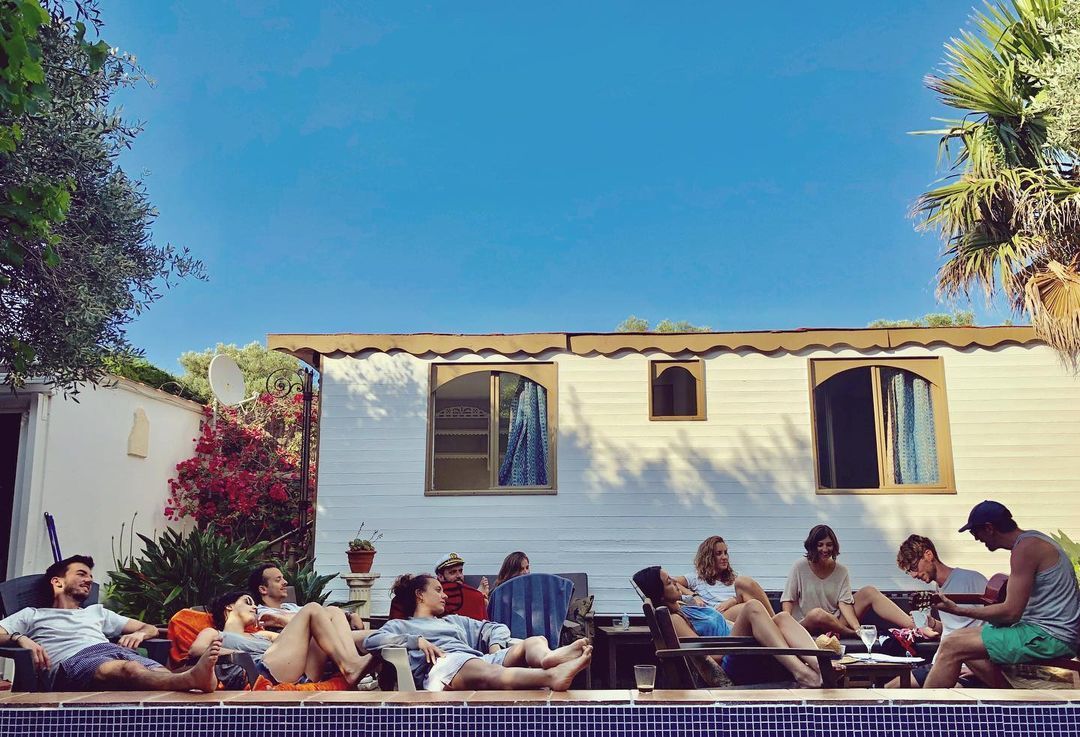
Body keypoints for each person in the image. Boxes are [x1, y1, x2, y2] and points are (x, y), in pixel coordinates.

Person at [0, 555, 220, 692]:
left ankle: (192, 680)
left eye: (90, 575)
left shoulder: (97, 612)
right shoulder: (33, 615)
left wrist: (140, 634)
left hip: (113, 651)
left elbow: (150, 628)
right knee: (131, 669)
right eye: (81, 574)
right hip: (72, 661)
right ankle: (191, 679)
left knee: (154, 671)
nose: (89, 579)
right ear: (58, 582)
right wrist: (20, 638)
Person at [924, 501, 1080, 689]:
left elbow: (1011, 613)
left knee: (952, 644)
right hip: (1045, 632)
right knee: (964, 642)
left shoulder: (1026, 549)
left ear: (989, 528)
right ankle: (1013, 696)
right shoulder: (1033, 541)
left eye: (975, 532)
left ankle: (925, 706)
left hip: (1049, 636)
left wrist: (958, 610)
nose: (976, 539)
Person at [363, 573, 592, 691]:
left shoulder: (453, 621)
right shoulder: (402, 626)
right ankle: (552, 676)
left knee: (535, 640)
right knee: (488, 670)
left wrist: (495, 645)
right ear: (419, 595)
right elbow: (372, 640)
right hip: (443, 667)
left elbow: (493, 627)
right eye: (438, 590)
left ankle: (547, 658)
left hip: (477, 660)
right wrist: (416, 641)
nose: (445, 595)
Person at [633, 566, 823, 688]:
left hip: (734, 644)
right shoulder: (675, 619)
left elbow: (689, 595)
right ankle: (801, 673)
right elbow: (704, 657)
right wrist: (739, 631)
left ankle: (819, 666)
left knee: (782, 617)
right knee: (752, 607)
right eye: (669, 582)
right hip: (730, 657)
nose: (675, 582)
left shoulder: (683, 606)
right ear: (660, 595)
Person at [190, 591, 372, 687]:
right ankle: (351, 667)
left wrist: (280, 620)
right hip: (261, 672)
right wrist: (237, 654)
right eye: (247, 602)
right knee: (312, 608)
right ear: (229, 607)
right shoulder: (214, 633)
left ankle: (353, 662)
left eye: (254, 604)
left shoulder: (261, 635)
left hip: (296, 670)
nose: (254, 607)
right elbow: (196, 651)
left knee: (333, 611)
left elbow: (305, 638)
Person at [781, 524, 922, 636]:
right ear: (813, 546)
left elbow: (845, 604)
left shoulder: (841, 571)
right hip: (809, 623)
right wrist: (788, 626)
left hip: (836, 622)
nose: (825, 549)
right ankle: (849, 634)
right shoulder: (799, 566)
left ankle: (918, 627)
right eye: (820, 545)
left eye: (829, 544)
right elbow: (788, 599)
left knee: (869, 591)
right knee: (817, 614)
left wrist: (858, 628)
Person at [888, 534, 988, 688]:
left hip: (965, 666)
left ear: (928, 555)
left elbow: (996, 626)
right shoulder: (939, 588)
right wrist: (931, 623)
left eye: (914, 567)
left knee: (938, 696)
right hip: (940, 663)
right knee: (891, 688)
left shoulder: (970, 579)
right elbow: (953, 628)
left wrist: (979, 669)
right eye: (909, 572)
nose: (913, 575)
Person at [674, 536, 775, 620]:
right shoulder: (696, 577)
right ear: (708, 557)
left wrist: (733, 600)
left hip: (739, 610)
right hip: (719, 616)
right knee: (752, 606)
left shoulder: (735, 577)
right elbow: (672, 582)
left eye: (725, 553)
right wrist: (693, 595)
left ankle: (774, 619)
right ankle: (774, 622)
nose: (724, 557)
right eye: (719, 553)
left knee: (745, 584)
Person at [248, 563, 366, 631]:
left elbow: (323, 612)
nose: (285, 582)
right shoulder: (262, 613)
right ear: (263, 589)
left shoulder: (290, 607)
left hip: (334, 639)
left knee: (375, 639)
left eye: (283, 578)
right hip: (308, 649)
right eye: (278, 580)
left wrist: (351, 615)